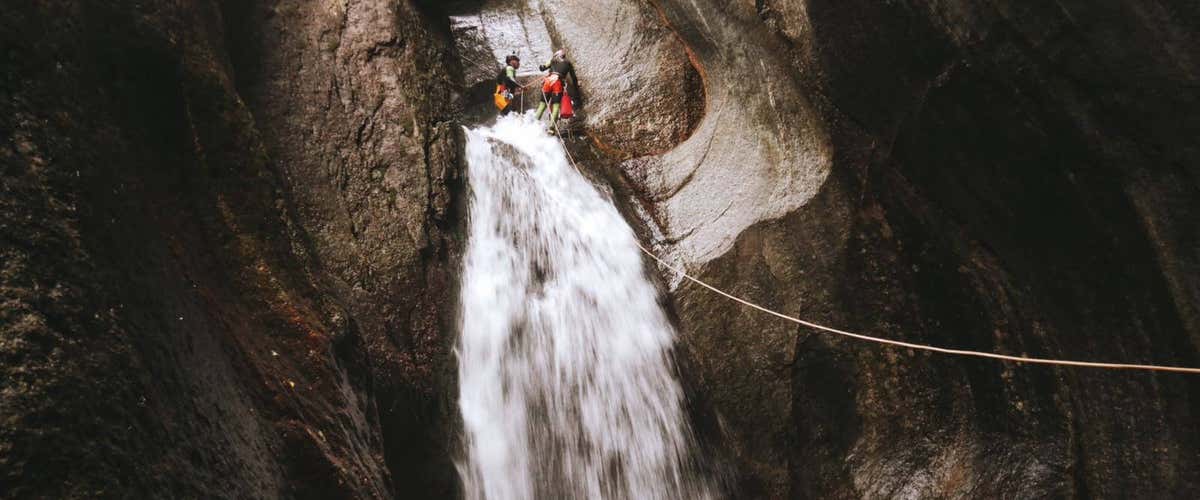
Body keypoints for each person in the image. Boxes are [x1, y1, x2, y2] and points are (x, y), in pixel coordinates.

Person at [534, 49, 578, 132]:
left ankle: (533, 125)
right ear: (563, 56)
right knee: (556, 107)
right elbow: (574, 78)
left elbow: (542, 68)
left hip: (547, 81)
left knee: (542, 106)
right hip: (557, 83)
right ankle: (551, 128)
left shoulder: (552, 60)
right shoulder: (568, 63)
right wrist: (576, 88)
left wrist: (543, 66)